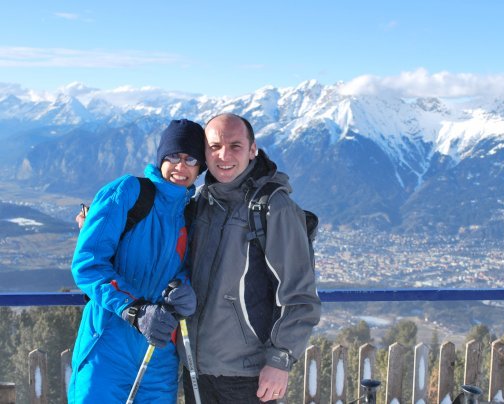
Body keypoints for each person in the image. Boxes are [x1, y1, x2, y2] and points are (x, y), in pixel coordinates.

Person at [182, 113, 321, 403]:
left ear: (252, 149)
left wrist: (280, 359)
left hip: (249, 374)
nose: (224, 155)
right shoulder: (201, 203)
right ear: (205, 153)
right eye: (215, 147)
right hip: (197, 368)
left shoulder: (273, 208)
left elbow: (299, 294)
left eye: (235, 146)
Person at [69, 119, 205, 403]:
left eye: (191, 159)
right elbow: (88, 264)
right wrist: (135, 310)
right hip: (107, 348)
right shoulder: (129, 193)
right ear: (161, 158)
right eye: (173, 156)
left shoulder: (191, 214)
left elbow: (185, 268)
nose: (181, 166)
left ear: (200, 167)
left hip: (159, 356)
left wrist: (183, 288)